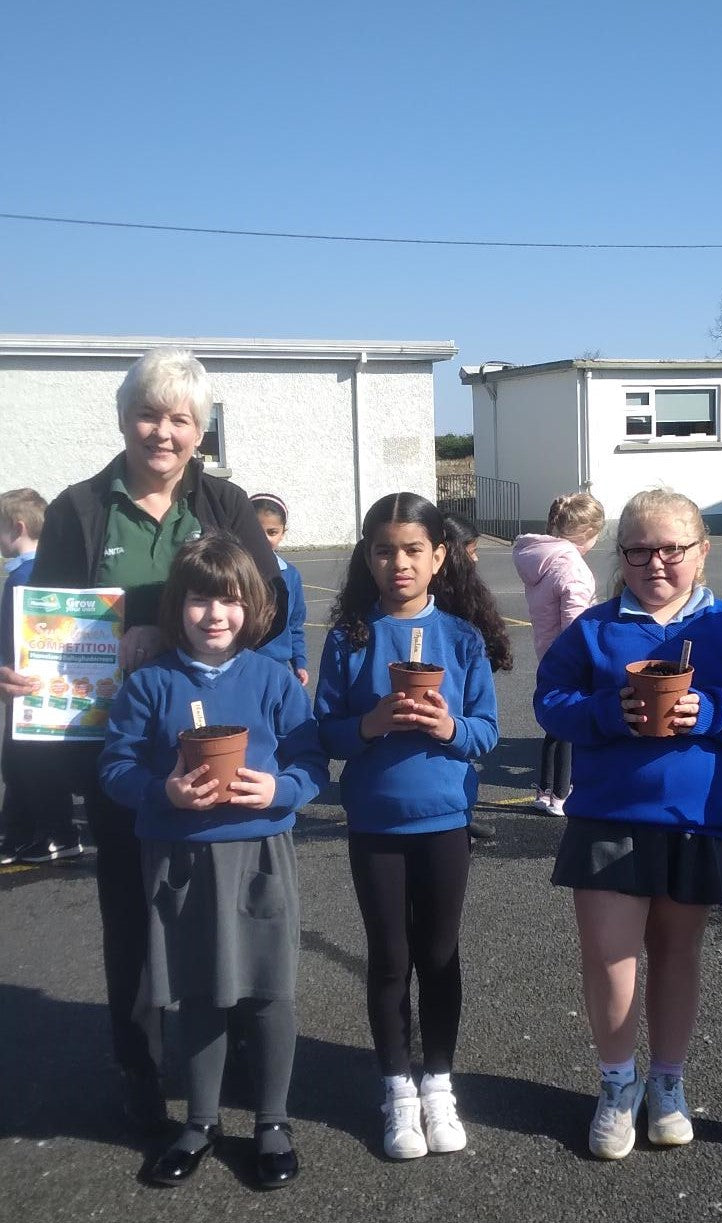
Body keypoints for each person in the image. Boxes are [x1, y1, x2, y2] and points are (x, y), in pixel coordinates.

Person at [0, 348, 286, 1131]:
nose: (163, 431)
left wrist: (178, 636)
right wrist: (29, 672)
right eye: (149, 414)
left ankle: (244, 1064)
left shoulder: (223, 502)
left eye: (180, 419)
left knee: (229, 904)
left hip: (221, 739)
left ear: (200, 429)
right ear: (125, 418)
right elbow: (51, 620)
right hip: (120, 747)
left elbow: (273, 611)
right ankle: (139, 1066)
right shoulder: (78, 508)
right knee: (132, 912)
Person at [535, 488, 722, 1161]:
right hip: (607, 815)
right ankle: (618, 1084)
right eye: (638, 549)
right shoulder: (593, 627)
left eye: (671, 547)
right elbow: (550, 702)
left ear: (701, 551)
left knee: (676, 953)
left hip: (697, 817)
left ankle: (666, 1082)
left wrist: (707, 711)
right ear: (620, 555)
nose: (654, 561)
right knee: (609, 957)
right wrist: (609, 713)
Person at [98, 534, 327, 1189]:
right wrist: (161, 790)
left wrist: (279, 788)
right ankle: (199, 1121)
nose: (214, 614)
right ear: (179, 605)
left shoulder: (273, 679)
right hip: (179, 860)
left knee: (266, 991)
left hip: (257, 854)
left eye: (228, 599)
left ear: (251, 606)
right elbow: (115, 764)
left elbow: (310, 760)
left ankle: (273, 1120)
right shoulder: (149, 684)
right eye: (200, 599)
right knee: (194, 990)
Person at [314, 493, 500, 1160]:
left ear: (438, 556)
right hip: (375, 820)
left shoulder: (461, 637)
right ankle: (396, 1087)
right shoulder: (349, 636)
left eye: (413, 549)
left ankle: (438, 1082)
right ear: (368, 557)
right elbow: (326, 728)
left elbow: (485, 730)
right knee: (389, 957)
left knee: (439, 953)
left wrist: (446, 725)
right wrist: (370, 723)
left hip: (444, 817)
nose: (399, 562)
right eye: (385, 550)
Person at [0, 489, 80, 863]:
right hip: (29, 684)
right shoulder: (33, 572)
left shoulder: (28, 578)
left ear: (17, 528)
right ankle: (24, 832)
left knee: (31, 763)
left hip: (30, 686)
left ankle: (55, 834)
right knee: (20, 763)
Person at [513, 493, 604, 815]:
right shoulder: (572, 567)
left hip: (546, 648)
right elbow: (576, 622)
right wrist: (589, 658)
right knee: (569, 724)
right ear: (588, 534)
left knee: (554, 724)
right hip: (569, 655)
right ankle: (562, 795)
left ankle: (545, 790)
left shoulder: (539, 557)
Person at [442, 511, 513, 840]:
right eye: (471, 550)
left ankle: (463, 812)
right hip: (444, 682)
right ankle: (458, 812)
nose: (476, 556)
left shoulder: (463, 590)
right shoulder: (438, 595)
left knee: (465, 734)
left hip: (465, 678)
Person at [250, 493, 309, 684]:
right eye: (257, 532)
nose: (265, 539)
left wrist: (299, 661)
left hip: (277, 667)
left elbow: (294, 625)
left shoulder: (290, 575)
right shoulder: (234, 573)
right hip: (240, 664)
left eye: (272, 532)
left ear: (283, 532)